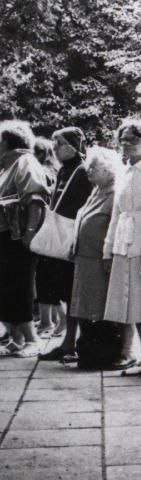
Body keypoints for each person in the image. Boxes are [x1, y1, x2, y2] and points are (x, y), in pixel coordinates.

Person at [102, 119, 141, 372]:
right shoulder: (123, 171)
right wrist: (108, 248)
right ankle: (135, 353)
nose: (127, 145)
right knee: (127, 303)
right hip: (122, 242)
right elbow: (116, 213)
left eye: (133, 140)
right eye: (123, 140)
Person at [38, 127, 93, 363]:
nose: (55, 148)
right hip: (61, 237)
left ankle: (75, 341)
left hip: (74, 238)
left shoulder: (83, 170)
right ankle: (68, 341)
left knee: (74, 292)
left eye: (59, 143)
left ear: (73, 144)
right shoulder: (64, 170)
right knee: (63, 291)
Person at [0, 120, 49, 358]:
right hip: (7, 236)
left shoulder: (24, 162)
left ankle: (32, 339)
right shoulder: (8, 165)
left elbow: (36, 200)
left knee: (20, 284)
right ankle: (16, 337)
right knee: (8, 286)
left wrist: (30, 233)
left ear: (7, 142)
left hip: (18, 236)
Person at [71, 147, 121, 370]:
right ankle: (87, 353)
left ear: (108, 169)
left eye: (94, 167)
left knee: (99, 309)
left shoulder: (114, 193)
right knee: (84, 308)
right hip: (85, 259)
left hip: (99, 259)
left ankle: (101, 355)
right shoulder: (96, 191)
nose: (88, 171)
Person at [32, 136, 60, 339]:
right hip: (52, 231)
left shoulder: (41, 173)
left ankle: (46, 322)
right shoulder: (54, 171)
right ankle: (51, 321)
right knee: (49, 278)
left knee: (44, 278)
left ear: (41, 154)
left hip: (45, 231)